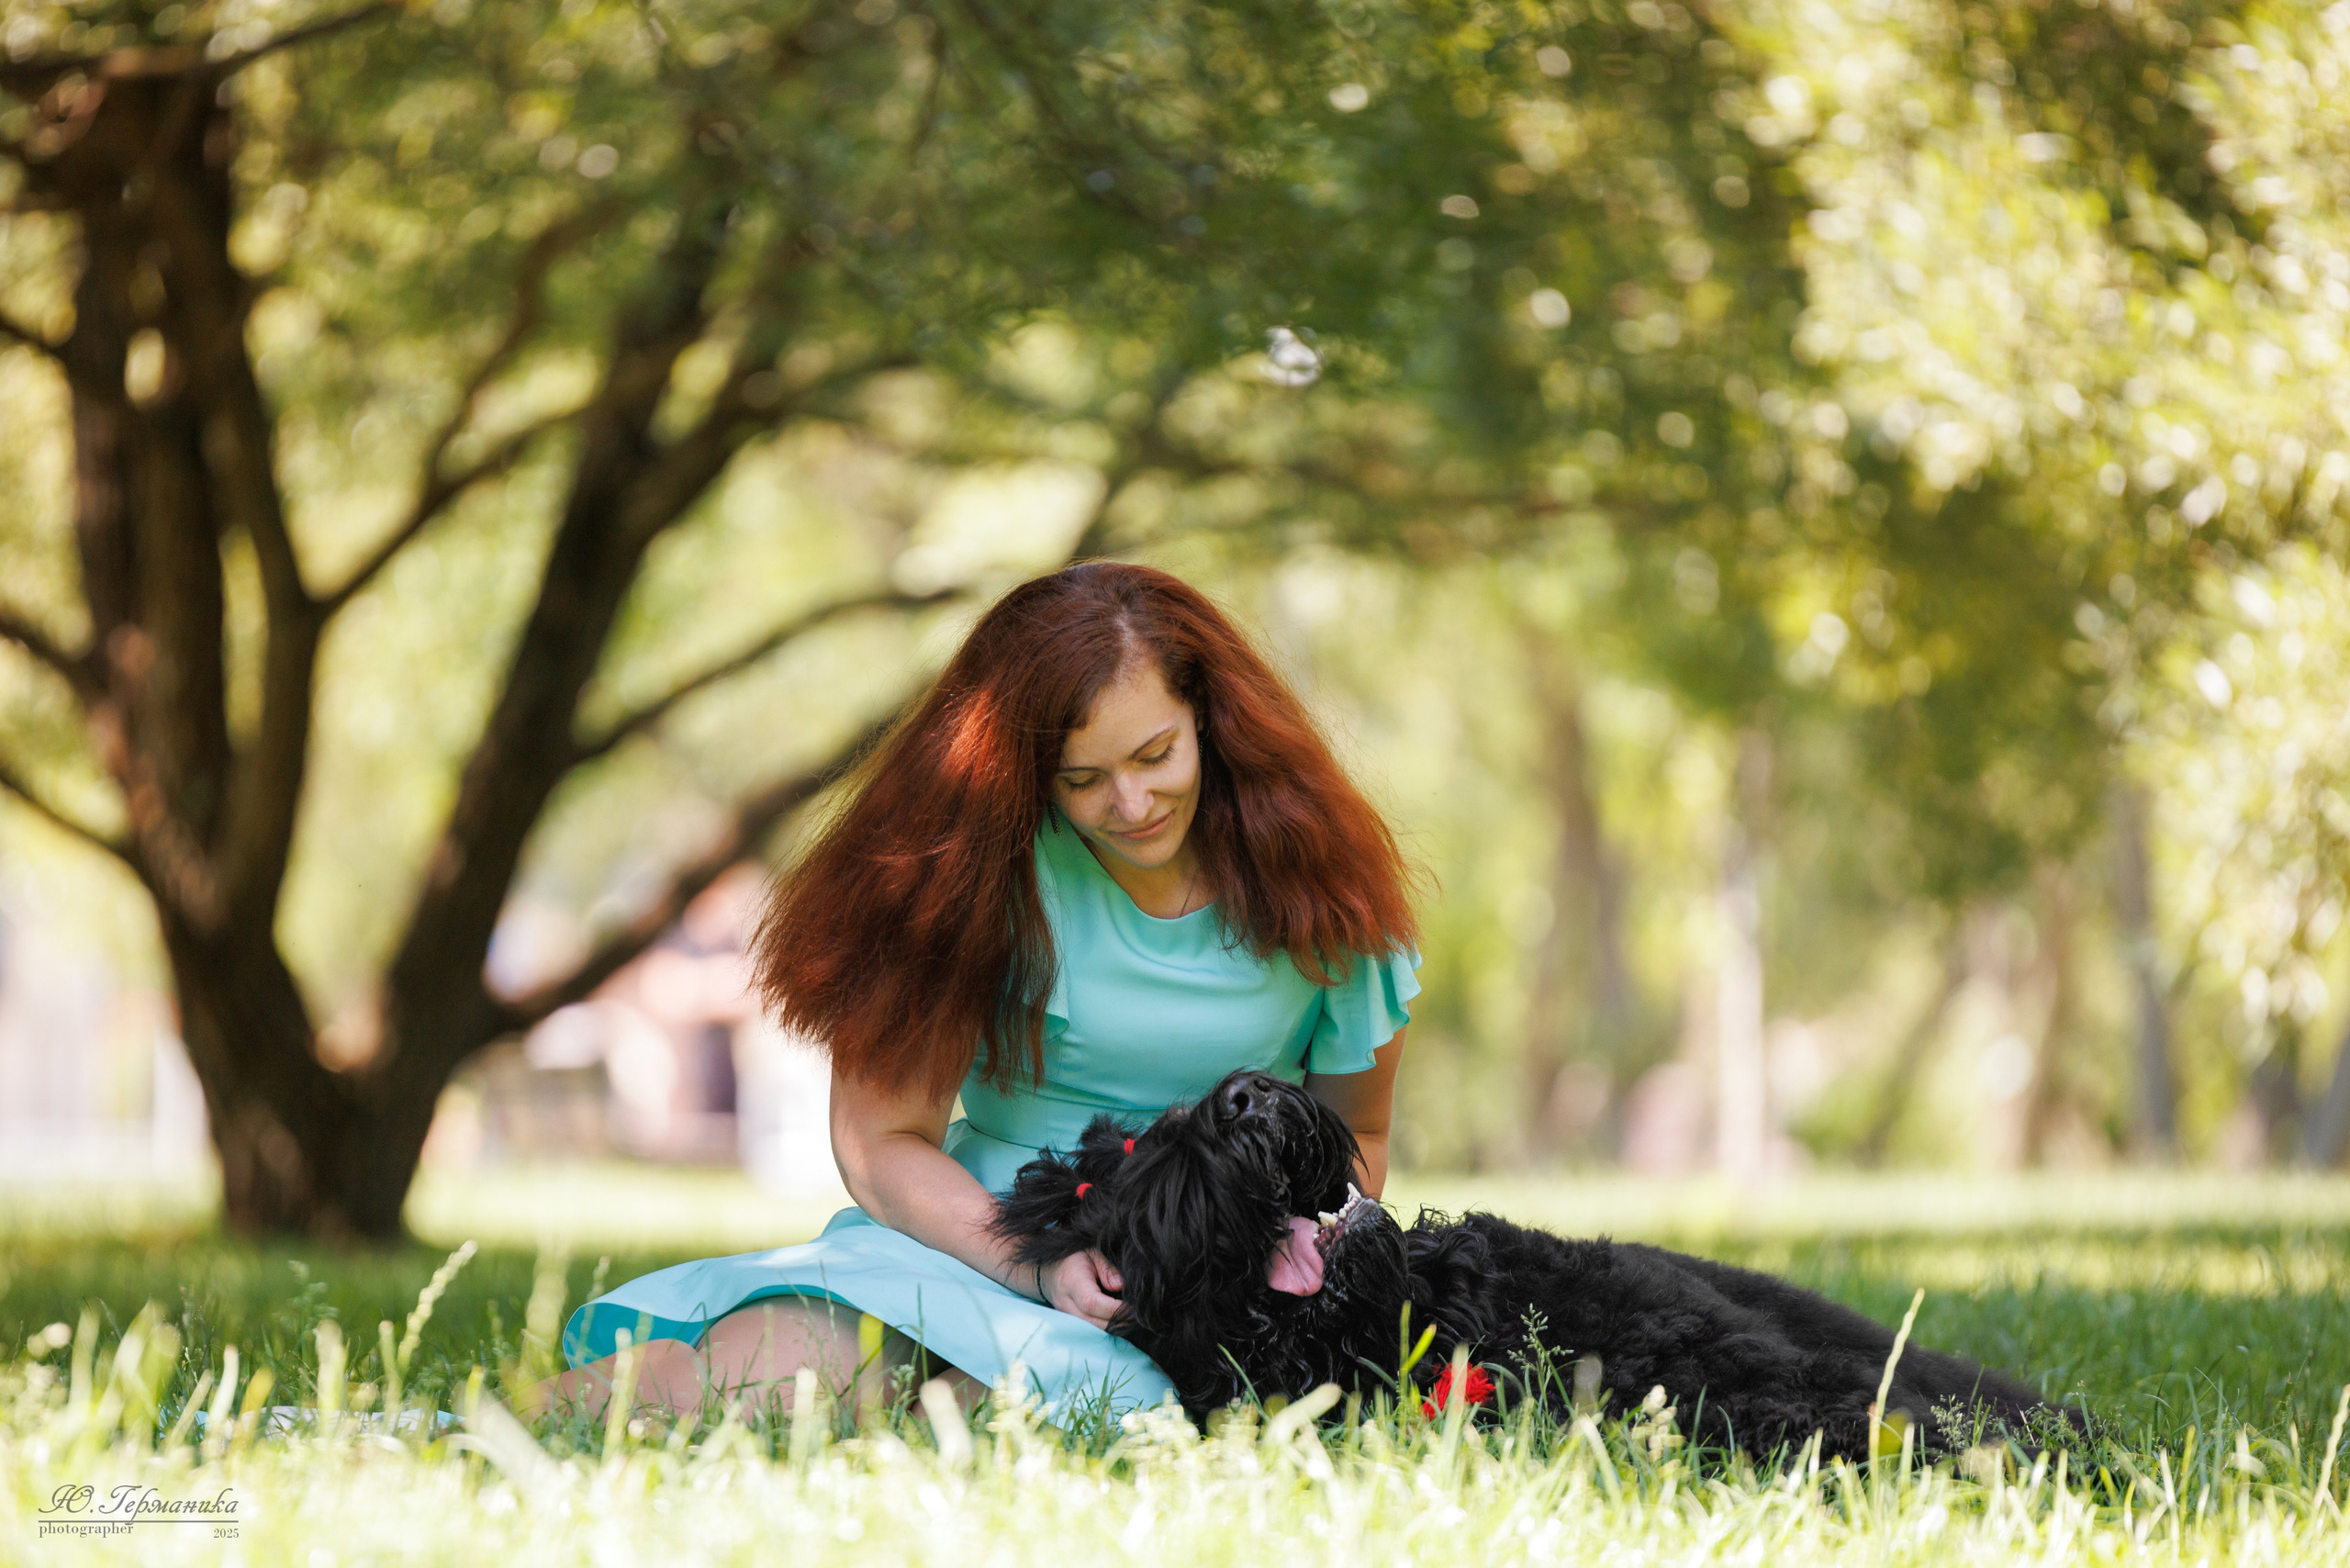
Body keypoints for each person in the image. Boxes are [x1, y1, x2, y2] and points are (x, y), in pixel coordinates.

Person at [539, 562, 1422, 1422]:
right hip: (967, 1238)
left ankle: (948, 1408)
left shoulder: (1323, 890)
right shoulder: (971, 874)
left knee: (1067, 1410)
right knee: (780, 1381)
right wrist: (1037, 1269)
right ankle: (436, 1436)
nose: (1131, 802)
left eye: (1156, 755)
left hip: (1199, 1292)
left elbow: (1360, 1139)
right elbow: (881, 1139)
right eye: (1081, 779)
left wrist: (1246, 1268)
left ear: (1211, 720)